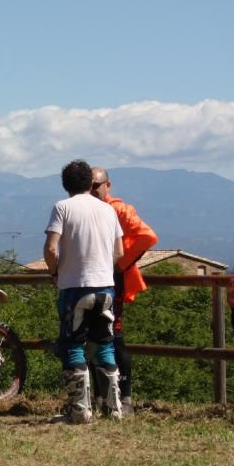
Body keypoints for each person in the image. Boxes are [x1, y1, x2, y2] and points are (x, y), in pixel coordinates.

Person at [43, 160, 124, 423]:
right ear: (90, 183)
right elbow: (119, 252)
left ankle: (79, 410)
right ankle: (114, 409)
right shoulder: (108, 211)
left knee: (73, 346)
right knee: (105, 345)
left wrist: (55, 271)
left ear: (65, 185)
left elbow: (52, 248)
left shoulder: (62, 208)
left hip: (74, 287)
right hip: (106, 288)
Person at [90, 166, 158, 416]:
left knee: (113, 338)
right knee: (92, 339)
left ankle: (125, 398)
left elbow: (146, 236)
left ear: (108, 185)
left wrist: (120, 264)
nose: (93, 190)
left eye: (97, 185)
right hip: (94, 279)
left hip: (112, 281)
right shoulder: (90, 209)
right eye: (89, 186)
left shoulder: (118, 209)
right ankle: (100, 398)